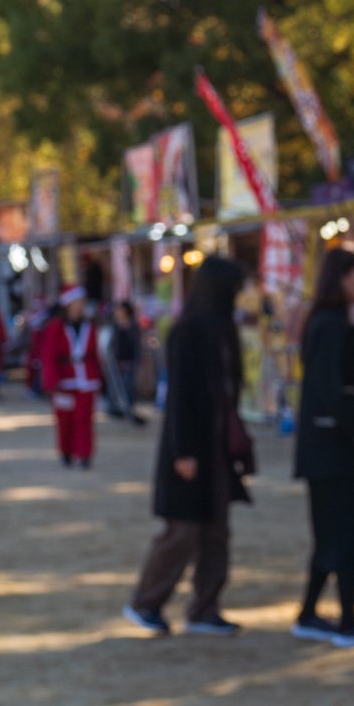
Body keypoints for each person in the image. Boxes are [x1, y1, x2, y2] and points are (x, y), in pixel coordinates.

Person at [126, 254, 253, 636]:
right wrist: (183, 452)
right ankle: (147, 601)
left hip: (215, 448)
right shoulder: (189, 332)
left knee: (216, 529)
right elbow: (180, 399)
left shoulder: (221, 329)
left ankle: (205, 605)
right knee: (183, 531)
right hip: (190, 447)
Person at [291, 244, 354, 648]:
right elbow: (336, 395)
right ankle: (348, 621)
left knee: (331, 537)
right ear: (343, 276)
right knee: (346, 537)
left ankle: (309, 614)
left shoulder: (329, 323)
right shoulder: (331, 326)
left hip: (329, 451)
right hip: (334, 451)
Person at [36, 287, 105, 469]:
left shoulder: (89, 325)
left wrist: (100, 378)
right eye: (77, 302)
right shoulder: (55, 327)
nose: (80, 306)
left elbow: (95, 354)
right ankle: (66, 452)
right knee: (65, 420)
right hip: (64, 380)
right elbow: (48, 356)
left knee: (84, 419)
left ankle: (84, 455)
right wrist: (51, 382)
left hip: (86, 380)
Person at [104, 299, 147, 424]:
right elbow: (112, 344)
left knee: (128, 386)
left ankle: (129, 409)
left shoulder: (133, 326)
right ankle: (115, 407)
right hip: (117, 362)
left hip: (130, 361)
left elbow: (137, 346)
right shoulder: (115, 325)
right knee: (115, 386)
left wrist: (137, 361)